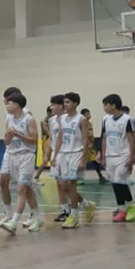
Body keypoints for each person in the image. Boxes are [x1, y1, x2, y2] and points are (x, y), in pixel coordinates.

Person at [0, 92, 42, 234]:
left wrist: (19, 134)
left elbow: (34, 140)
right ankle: (38, 217)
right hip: (13, 156)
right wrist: (9, 137)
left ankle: (14, 221)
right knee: (27, 189)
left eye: (8, 103)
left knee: (21, 189)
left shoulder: (29, 119)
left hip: (26, 156)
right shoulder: (9, 118)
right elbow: (6, 142)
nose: (6, 106)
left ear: (16, 105)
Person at [55, 92, 97, 229]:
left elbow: (86, 140)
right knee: (63, 186)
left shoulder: (81, 119)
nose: (65, 105)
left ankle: (74, 216)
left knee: (71, 185)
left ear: (75, 104)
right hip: (64, 154)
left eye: (68, 102)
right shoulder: (62, 119)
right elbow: (60, 137)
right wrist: (55, 156)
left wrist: (83, 160)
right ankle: (86, 205)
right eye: (64, 102)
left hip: (76, 153)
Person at [101, 94, 135, 222]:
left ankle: (131, 206)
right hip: (110, 155)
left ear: (113, 105)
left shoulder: (127, 119)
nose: (104, 107)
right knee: (115, 183)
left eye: (106, 105)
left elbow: (132, 139)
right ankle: (122, 209)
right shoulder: (106, 120)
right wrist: (103, 155)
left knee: (119, 181)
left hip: (123, 155)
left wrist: (132, 156)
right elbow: (104, 138)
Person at [0, 87, 28, 223]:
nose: (5, 101)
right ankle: (8, 213)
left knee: (25, 186)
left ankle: (34, 214)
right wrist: (7, 139)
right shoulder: (8, 114)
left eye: (7, 99)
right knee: (3, 181)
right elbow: (7, 132)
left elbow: (31, 136)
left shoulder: (26, 114)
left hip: (23, 153)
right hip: (10, 151)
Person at [38, 97, 65, 226]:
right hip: (55, 153)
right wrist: (47, 155)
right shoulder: (52, 120)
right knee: (59, 184)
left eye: (53, 104)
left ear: (61, 106)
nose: (51, 107)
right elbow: (51, 138)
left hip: (67, 153)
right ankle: (65, 210)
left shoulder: (68, 119)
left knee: (67, 185)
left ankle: (81, 205)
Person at [80, 108, 107, 184]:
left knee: (95, 161)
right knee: (82, 162)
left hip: (91, 146)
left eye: (89, 114)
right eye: (87, 114)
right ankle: (80, 178)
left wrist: (92, 144)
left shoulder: (90, 124)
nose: (89, 115)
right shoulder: (81, 124)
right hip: (84, 146)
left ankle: (101, 177)